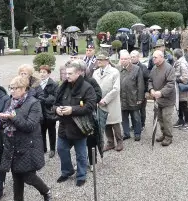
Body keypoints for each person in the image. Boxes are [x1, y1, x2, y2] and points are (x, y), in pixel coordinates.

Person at [0, 75, 51, 201]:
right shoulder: (10, 101)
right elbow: (6, 122)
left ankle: (46, 192)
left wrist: (12, 117)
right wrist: (2, 118)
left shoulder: (34, 103)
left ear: (24, 89)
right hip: (11, 144)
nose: (13, 91)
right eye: (11, 88)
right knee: (16, 177)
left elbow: (30, 126)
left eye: (16, 88)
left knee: (28, 176)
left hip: (28, 145)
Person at [53, 59, 97, 187]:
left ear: (78, 73)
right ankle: (67, 171)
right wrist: (57, 110)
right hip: (64, 125)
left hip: (79, 126)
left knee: (81, 154)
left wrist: (72, 110)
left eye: (70, 74)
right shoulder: (63, 86)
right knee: (61, 149)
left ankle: (81, 175)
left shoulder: (87, 87)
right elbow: (54, 104)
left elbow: (90, 106)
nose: (67, 76)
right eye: (66, 74)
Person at [94, 52, 123, 152]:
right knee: (105, 122)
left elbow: (116, 89)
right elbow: (94, 87)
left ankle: (119, 142)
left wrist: (105, 100)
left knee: (115, 122)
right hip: (100, 101)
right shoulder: (96, 72)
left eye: (101, 60)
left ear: (107, 61)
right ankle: (110, 142)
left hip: (111, 101)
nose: (99, 62)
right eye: (98, 60)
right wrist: (97, 99)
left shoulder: (114, 72)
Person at [148, 49, 177, 146]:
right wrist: (151, 89)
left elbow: (171, 84)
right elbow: (150, 80)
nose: (153, 59)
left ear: (161, 57)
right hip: (157, 98)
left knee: (166, 118)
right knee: (160, 118)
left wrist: (161, 92)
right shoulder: (154, 68)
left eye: (155, 57)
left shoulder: (169, 68)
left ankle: (169, 137)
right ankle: (164, 134)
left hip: (168, 99)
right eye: (153, 57)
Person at [119, 50, 145, 141]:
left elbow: (140, 85)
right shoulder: (117, 69)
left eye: (125, 59)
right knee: (123, 118)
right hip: (121, 98)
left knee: (136, 117)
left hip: (133, 98)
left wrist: (140, 98)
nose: (123, 60)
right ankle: (126, 133)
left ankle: (137, 133)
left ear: (129, 59)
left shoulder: (136, 69)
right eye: (122, 59)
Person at [35, 65, 59, 158]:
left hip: (49, 111)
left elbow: (54, 98)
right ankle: (43, 148)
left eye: (44, 72)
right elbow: (34, 95)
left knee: (51, 131)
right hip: (39, 111)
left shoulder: (54, 84)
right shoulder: (37, 84)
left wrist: (43, 99)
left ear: (49, 73)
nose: (42, 74)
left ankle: (52, 149)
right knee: (41, 131)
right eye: (41, 72)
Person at [173, 48, 188, 130]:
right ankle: (180, 120)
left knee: (184, 105)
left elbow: (185, 77)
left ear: (176, 56)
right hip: (178, 88)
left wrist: (176, 80)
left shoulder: (182, 63)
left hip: (182, 88)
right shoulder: (178, 62)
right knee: (179, 105)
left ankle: (187, 122)